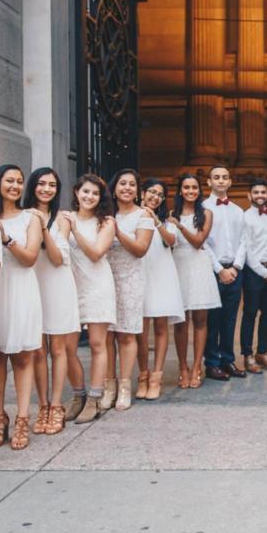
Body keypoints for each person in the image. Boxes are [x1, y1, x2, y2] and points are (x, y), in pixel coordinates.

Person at [0, 165, 44, 451]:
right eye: (10, 180)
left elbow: (30, 258)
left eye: (20, 181)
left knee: (22, 357)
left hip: (20, 289)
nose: (16, 186)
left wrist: (6, 237)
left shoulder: (31, 217)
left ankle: (22, 417)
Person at [24, 168, 81, 430]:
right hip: (32, 284)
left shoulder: (63, 219)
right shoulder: (23, 216)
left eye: (52, 185)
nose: (46, 189)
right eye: (41, 184)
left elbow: (58, 259)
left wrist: (44, 228)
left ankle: (57, 404)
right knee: (37, 350)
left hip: (58, 285)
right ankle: (43, 405)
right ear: (32, 186)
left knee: (58, 349)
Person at [65, 174, 117, 423]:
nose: (89, 196)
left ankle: (95, 399)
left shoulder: (106, 222)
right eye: (85, 191)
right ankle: (78, 396)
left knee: (97, 343)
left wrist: (75, 231)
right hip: (70, 287)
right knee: (67, 348)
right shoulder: (65, 217)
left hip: (97, 286)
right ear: (77, 192)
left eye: (95, 193)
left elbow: (96, 253)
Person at [107, 168, 155, 409]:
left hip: (130, 279)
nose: (127, 188)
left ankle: (125, 386)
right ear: (114, 188)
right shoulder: (104, 214)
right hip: (105, 279)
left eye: (132, 184)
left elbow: (140, 249)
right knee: (106, 335)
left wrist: (116, 231)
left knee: (126, 334)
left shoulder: (143, 216)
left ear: (137, 191)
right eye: (122, 183)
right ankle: (109, 385)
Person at [169, 173, 221, 388]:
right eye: (186, 187)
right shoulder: (172, 214)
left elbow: (198, 242)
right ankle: (183, 367)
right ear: (180, 191)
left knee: (200, 320)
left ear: (199, 191)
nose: (190, 191)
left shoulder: (206, 213)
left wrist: (180, 226)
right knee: (180, 322)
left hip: (198, 266)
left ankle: (197, 366)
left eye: (194, 188)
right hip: (178, 266)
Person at [138, 178, 185, 399]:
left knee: (160, 326)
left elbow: (171, 241)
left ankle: (156, 376)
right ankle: (143, 375)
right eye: (151, 192)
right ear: (142, 193)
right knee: (140, 329)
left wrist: (157, 222)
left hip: (161, 273)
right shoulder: (133, 215)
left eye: (159, 194)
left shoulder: (168, 220)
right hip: (140, 273)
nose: (155, 197)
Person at [203, 165, 246, 380]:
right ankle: (212, 363)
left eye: (225, 177)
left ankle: (227, 359)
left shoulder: (238, 211)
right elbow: (202, 243)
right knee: (212, 320)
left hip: (235, 271)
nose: (221, 180)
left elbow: (244, 241)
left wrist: (236, 267)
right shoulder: (203, 208)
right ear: (209, 182)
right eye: (216, 177)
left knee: (230, 319)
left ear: (230, 182)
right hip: (213, 270)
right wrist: (220, 270)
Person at [240, 179, 267, 373]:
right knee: (250, 314)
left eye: (263, 192)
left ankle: (262, 353)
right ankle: (248, 356)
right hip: (254, 272)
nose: (260, 195)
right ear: (249, 195)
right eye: (256, 192)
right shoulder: (245, 218)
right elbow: (247, 250)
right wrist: (264, 272)